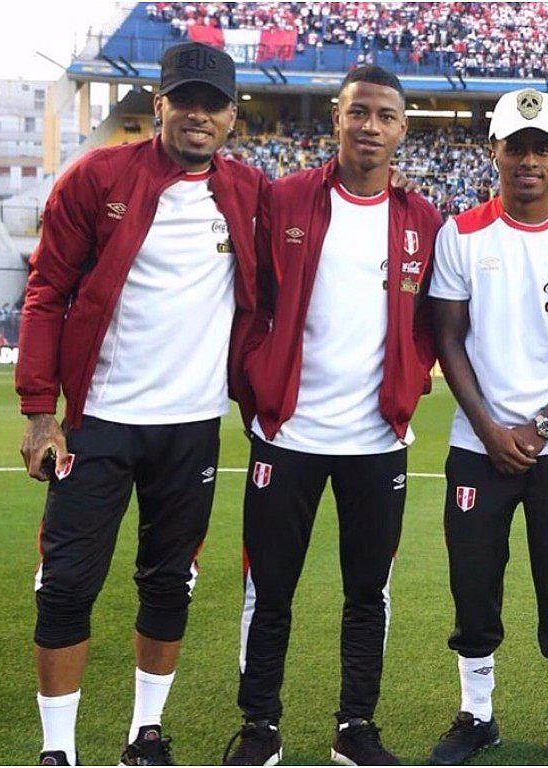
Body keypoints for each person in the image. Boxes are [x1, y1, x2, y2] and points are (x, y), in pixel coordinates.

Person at [15, 42, 268, 766]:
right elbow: (47, 290)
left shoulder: (248, 191)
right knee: (66, 585)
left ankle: (145, 734)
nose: (198, 115)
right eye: (184, 100)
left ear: (232, 117)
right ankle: (58, 750)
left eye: (213, 104)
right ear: (159, 106)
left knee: (169, 584)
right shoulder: (98, 177)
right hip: (97, 424)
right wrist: (40, 410)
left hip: (191, 426)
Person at [220, 66, 442, 767]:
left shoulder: (423, 219)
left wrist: (410, 382)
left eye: (385, 116)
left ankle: (356, 726)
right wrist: (259, 383)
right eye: (359, 112)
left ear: (402, 129)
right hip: (288, 433)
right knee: (269, 589)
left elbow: (431, 323)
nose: (370, 126)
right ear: (337, 118)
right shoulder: (285, 198)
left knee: (367, 592)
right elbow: (250, 300)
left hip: (376, 440)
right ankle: (260, 725)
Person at [425, 88, 548, 766]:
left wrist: (541, 425)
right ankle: (477, 715)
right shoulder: (460, 234)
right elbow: (448, 337)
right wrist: (488, 428)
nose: (528, 160)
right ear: (495, 151)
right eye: (516, 146)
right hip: (477, 446)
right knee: (474, 583)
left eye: (541, 147)